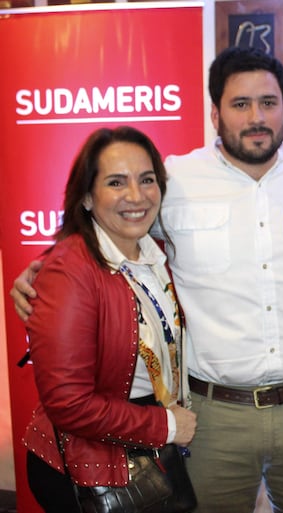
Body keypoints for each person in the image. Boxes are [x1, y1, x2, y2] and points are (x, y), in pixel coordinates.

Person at [12, 47, 283, 513]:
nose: (256, 116)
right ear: (215, 113)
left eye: (268, 102)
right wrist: (43, 266)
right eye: (240, 104)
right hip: (211, 414)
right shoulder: (176, 179)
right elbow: (113, 229)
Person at [21, 126, 197, 512]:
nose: (136, 196)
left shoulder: (156, 254)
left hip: (147, 443)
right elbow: (68, 402)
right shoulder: (68, 271)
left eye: (147, 179)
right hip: (93, 466)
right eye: (116, 182)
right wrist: (165, 426)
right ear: (86, 196)